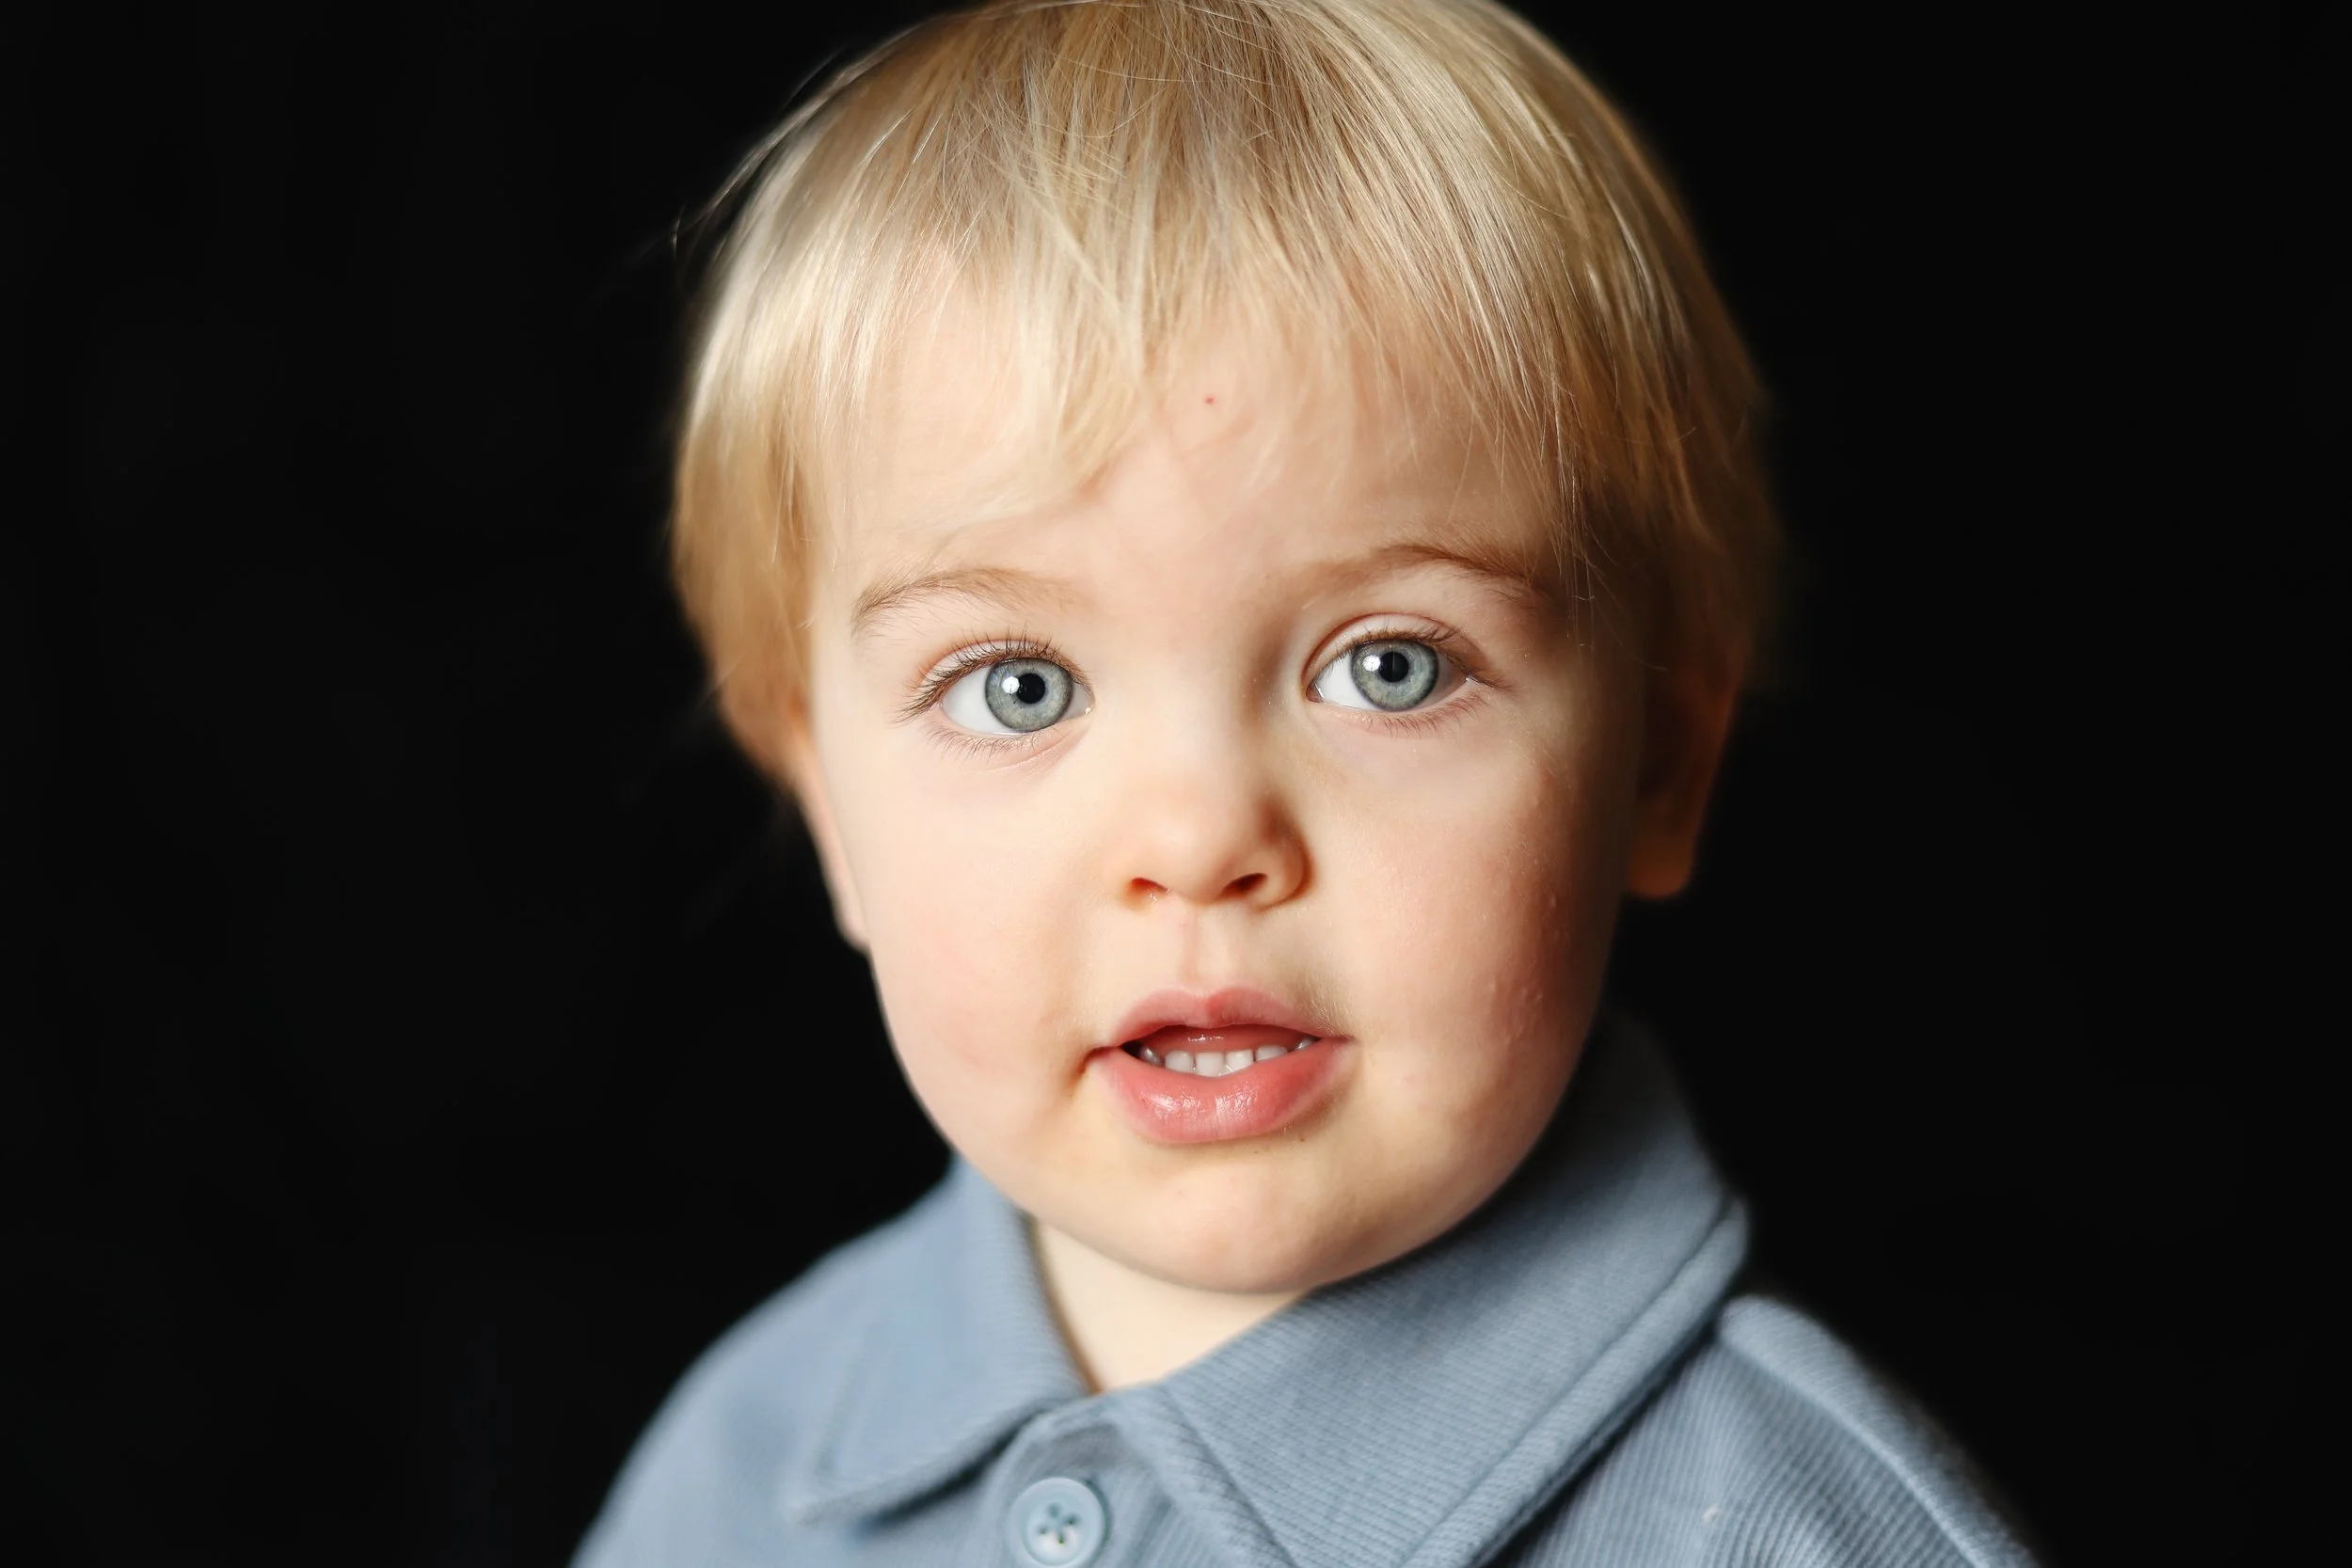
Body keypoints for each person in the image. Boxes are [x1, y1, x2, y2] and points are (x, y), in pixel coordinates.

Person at [578, 2, 2034, 1562]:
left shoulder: (1788, 1529)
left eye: (1389, 666)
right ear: (828, 815)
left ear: (1660, 765)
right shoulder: (754, 1459)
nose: (1202, 839)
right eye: (1020, 686)